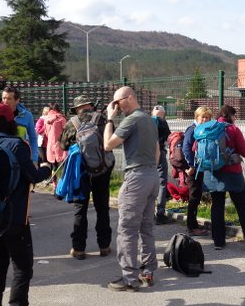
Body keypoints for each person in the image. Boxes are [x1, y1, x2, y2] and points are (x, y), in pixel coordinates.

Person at [0, 102, 52, 306]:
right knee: (22, 268)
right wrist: (46, 168)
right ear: (12, 121)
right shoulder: (16, 145)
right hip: (13, 217)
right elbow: (33, 176)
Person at [103, 86, 160, 291]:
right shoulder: (149, 120)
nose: (116, 106)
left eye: (117, 102)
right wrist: (149, 170)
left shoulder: (131, 120)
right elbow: (157, 151)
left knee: (127, 228)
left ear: (129, 98)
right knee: (146, 226)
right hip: (152, 175)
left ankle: (129, 278)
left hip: (137, 177)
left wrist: (110, 119)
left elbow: (108, 145)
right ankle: (148, 271)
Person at [204, 105, 245, 251]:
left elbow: (196, 149)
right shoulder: (233, 130)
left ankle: (218, 242)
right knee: (242, 207)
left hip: (213, 173)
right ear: (230, 116)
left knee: (217, 207)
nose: (235, 118)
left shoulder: (208, 128)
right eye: (234, 115)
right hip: (233, 173)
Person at [59, 96, 114, 259]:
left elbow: (63, 145)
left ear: (76, 109)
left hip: (80, 172)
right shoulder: (102, 119)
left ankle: (79, 249)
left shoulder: (72, 123)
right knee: (102, 209)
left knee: (80, 210)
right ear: (91, 105)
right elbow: (112, 140)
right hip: (102, 170)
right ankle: (104, 246)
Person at [182, 107, 212, 237]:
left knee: (196, 195)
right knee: (194, 197)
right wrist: (192, 166)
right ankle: (192, 227)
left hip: (199, 168)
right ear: (196, 117)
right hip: (193, 169)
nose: (205, 120)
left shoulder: (201, 130)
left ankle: (193, 224)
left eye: (207, 117)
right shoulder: (192, 130)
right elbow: (186, 148)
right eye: (202, 117)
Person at [1, 85, 39, 164]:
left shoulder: (27, 116)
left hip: (19, 157)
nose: (5, 101)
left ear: (17, 100)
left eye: (9, 99)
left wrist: (34, 159)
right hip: (1, 156)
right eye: (4, 98)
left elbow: (33, 138)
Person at [152, 105, 171, 224]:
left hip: (145, 155)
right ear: (163, 114)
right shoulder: (163, 122)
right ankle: (160, 213)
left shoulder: (146, 121)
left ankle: (147, 212)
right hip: (159, 153)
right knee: (162, 182)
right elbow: (169, 138)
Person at [44, 103, 68, 183]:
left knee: (54, 166)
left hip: (50, 145)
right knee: (63, 166)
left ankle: (55, 184)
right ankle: (62, 184)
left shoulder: (46, 119)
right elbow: (65, 132)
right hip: (61, 145)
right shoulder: (61, 118)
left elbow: (46, 133)